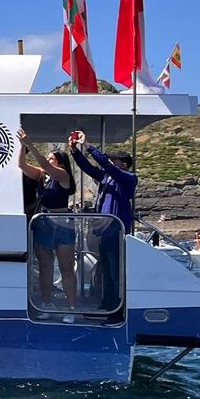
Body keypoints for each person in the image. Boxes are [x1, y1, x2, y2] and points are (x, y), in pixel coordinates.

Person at [70, 131, 137, 312]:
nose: (111, 162)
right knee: (106, 270)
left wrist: (88, 145)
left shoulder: (128, 178)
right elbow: (88, 168)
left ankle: (117, 307)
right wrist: (74, 151)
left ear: (123, 164)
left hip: (117, 232)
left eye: (114, 160)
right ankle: (108, 304)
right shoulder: (108, 177)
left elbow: (106, 165)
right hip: (104, 232)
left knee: (115, 272)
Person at [18, 129, 77, 316]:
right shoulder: (43, 175)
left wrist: (30, 144)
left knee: (66, 268)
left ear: (60, 162)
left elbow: (44, 164)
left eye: (52, 158)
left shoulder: (62, 176)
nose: (48, 160)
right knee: (45, 267)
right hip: (44, 222)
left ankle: (71, 307)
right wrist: (22, 146)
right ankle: (46, 304)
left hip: (63, 223)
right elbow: (22, 165)